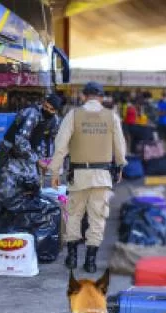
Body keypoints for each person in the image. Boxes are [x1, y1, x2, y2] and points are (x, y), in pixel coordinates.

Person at [48, 82, 127, 273]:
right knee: (97, 217)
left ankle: (72, 257)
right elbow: (120, 147)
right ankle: (90, 262)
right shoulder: (112, 117)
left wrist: (55, 172)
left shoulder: (73, 115)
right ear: (100, 97)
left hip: (78, 175)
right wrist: (120, 166)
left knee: (74, 214)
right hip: (102, 176)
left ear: (84, 96)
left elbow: (60, 146)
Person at [0, 94, 63, 209]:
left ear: (55, 111)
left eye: (51, 109)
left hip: (28, 156)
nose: (47, 110)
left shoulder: (53, 120)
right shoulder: (32, 113)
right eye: (46, 106)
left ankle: (22, 222)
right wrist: (38, 161)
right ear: (44, 103)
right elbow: (20, 141)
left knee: (31, 191)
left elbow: (48, 140)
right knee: (5, 194)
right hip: (11, 156)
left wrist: (47, 161)